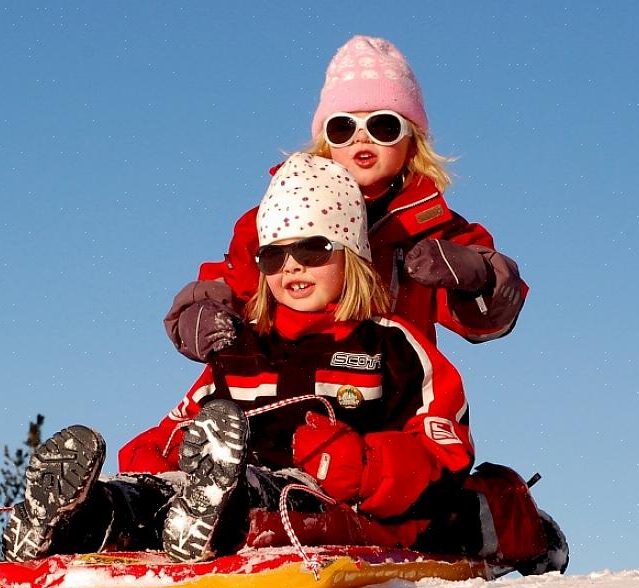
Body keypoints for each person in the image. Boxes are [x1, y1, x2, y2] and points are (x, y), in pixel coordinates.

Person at [2, 154, 566, 574]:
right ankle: (78, 518)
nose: (292, 265)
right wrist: (161, 455)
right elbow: (175, 426)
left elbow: (444, 455)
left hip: (325, 501)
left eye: (314, 249)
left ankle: (208, 511)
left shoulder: (393, 345)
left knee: (266, 501)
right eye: (274, 254)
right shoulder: (243, 348)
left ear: (352, 257)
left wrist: (361, 464)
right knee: (154, 497)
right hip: (220, 485)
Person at [165, 35, 527, 365]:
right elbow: (236, 279)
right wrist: (202, 312)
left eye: (383, 126)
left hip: (393, 389)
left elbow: (487, 321)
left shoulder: (436, 229)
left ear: (412, 140)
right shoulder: (282, 216)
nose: (361, 138)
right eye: (344, 127)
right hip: (292, 380)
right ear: (326, 140)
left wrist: (477, 277)